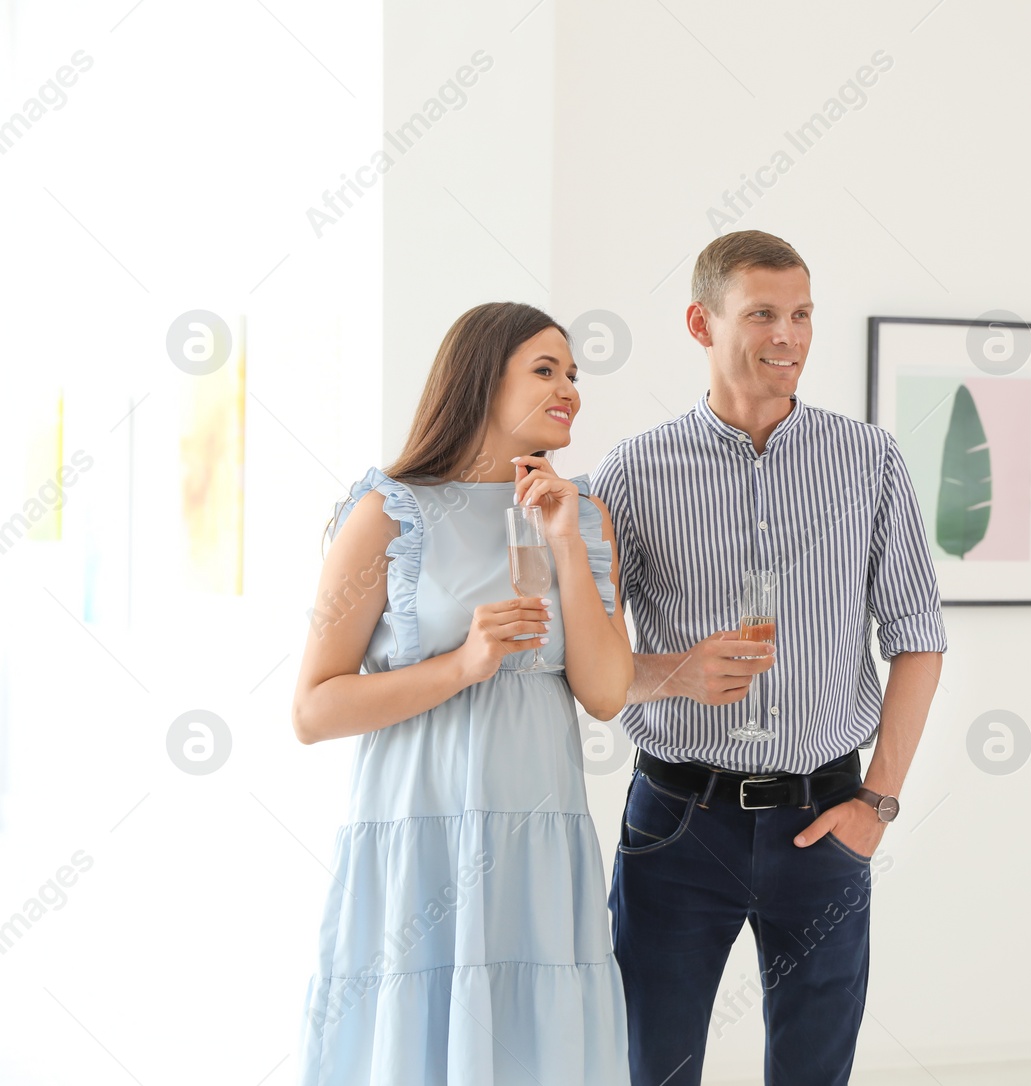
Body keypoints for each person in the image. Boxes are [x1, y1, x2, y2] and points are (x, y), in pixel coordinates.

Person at [590, 229, 947, 1085]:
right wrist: (674, 669)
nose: (787, 335)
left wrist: (878, 804)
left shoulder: (870, 460)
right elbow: (594, 662)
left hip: (824, 819)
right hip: (676, 822)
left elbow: (919, 638)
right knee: (653, 1069)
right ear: (699, 323)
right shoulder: (634, 472)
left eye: (801, 314)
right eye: (761, 314)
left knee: (813, 1074)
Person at [290, 302, 632, 1084]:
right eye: (545, 370)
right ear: (482, 379)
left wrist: (565, 545)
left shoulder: (584, 517)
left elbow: (607, 692)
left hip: (538, 830)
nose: (569, 389)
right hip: (422, 829)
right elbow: (313, 709)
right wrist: (461, 664)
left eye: (574, 374)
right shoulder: (386, 513)